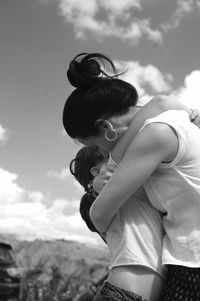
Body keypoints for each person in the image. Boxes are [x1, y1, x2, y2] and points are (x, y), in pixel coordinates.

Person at [63, 52, 200, 300]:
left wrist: (111, 167)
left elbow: (99, 214)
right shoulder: (171, 121)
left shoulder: (156, 133)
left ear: (106, 129)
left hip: (192, 270)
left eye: (95, 147)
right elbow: (159, 102)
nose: (100, 154)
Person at [70, 146, 166, 301]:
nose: (119, 157)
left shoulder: (135, 189)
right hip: (123, 294)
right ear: (96, 172)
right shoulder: (105, 196)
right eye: (109, 156)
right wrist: (94, 187)